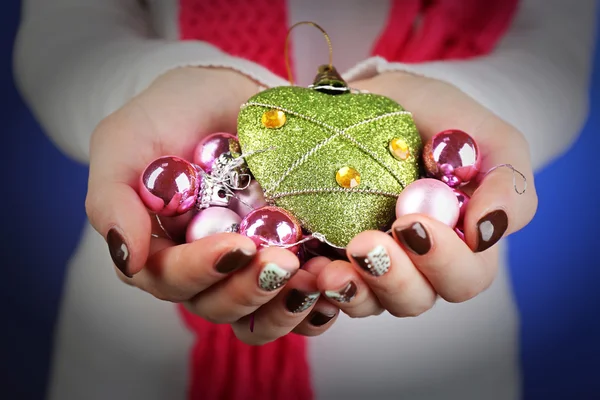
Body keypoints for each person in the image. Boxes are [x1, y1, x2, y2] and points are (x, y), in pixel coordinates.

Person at [13, 0, 597, 399]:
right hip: (137, 339)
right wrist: (156, 84)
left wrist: (472, 105)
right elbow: (64, 38)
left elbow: (552, 51)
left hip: (429, 362)